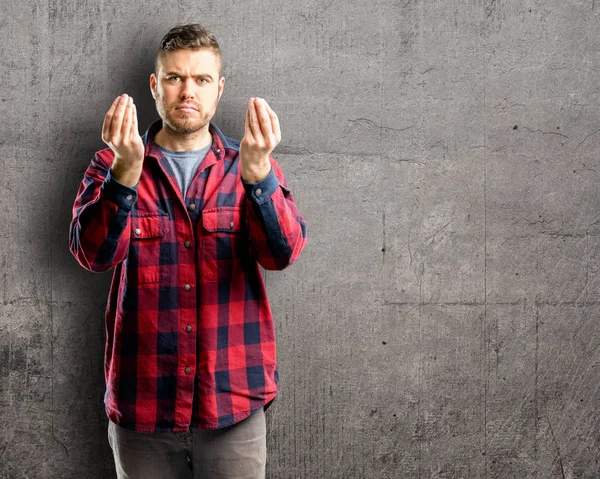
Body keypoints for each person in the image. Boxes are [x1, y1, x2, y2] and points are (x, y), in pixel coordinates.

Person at [68, 24, 307, 478]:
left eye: (200, 80)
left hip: (232, 405)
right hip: (144, 407)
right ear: (156, 87)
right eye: (175, 78)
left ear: (218, 90)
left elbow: (283, 254)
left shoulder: (249, 166)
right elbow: (92, 255)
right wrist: (124, 177)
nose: (187, 91)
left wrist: (260, 178)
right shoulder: (110, 163)